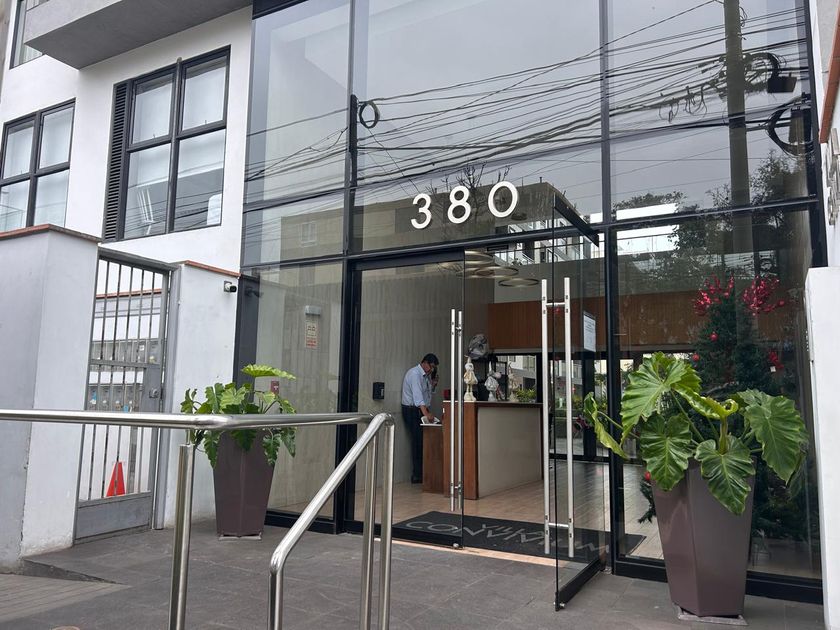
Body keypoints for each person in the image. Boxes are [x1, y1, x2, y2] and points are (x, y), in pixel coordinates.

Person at [401, 353, 439, 484]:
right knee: (418, 441)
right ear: (424, 363)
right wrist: (426, 414)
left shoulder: (425, 376)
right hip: (411, 410)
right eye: (431, 366)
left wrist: (433, 385)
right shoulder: (415, 374)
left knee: (423, 440)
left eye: (433, 368)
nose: (431, 370)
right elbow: (418, 398)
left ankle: (423, 473)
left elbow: (426, 394)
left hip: (420, 410)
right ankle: (417, 475)